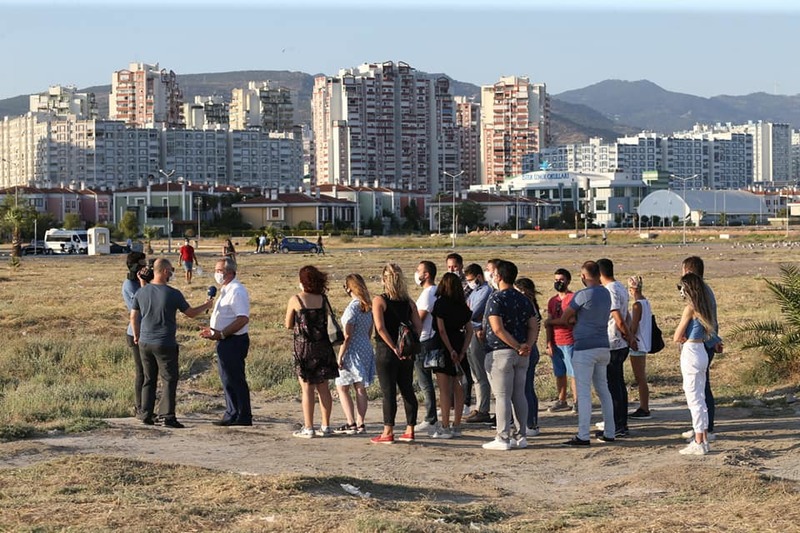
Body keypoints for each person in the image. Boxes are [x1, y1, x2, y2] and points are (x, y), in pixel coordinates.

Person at [130, 258, 213, 428]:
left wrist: (137, 335)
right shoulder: (172, 293)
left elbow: (133, 316)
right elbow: (190, 313)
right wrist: (206, 304)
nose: (173, 272)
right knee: (169, 379)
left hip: (145, 342)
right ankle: (166, 416)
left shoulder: (141, 291)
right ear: (166, 271)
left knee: (148, 378)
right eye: (172, 270)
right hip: (164, 342)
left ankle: (145, 413)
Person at [545, 261, 615, 446]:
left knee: (583, 393)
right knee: (604, 390)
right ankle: (610, 431)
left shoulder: (583, 294)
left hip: (585, 347)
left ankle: (583, 435)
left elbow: (565, 317)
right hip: (603, 345)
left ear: (583, 276)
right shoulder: (606, 292)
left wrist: (550, 323)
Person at [482, 260, 538, 451]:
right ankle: (521, 435)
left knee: (502, 396)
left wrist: (515, 346)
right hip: (522, 354)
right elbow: (533, 324)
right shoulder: (524, 299)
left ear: (499, 276)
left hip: (501, 352)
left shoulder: (496, 299)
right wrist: (526, 346)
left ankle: (503, 436)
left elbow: (497, 329)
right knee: (519, 394)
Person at [284, 265, 339, 438]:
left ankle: (308, 427)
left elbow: (288, 324)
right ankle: (326, 425)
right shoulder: (323, 299)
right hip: (323, 346)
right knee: (324, 387)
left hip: (304, 347)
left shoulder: (296, 299)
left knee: (307, 388)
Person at [371, 263, 422, 444]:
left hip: (386, 350)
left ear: (384, 279)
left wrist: (393, 346)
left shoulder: (380, 300)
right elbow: (419, 326)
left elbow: (380, 327)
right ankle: (410, 429)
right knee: (407, 389)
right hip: (406, 351)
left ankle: (388, 431)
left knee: (388, 391)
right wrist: (407, 345)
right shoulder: (408, 302)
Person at [200, 258, 252, 426]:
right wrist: (214, 331)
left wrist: (222, 334)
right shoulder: (225, 290)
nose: (216, 274)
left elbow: (242, 318)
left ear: (230, 272)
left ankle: (240, 415)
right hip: (224, 339)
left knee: (234, 378)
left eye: (219, 270)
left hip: (234, 341)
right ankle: (233, 412)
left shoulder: (236, 290)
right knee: (227, 378)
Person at [674, 272, 716, 455]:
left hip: (691, 352)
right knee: (700, 397)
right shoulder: (705, 307)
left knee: (694, 399)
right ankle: (703, 437)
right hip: (701, 351)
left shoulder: (690, 308)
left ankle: (699, 441)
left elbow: (677, 336)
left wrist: (681, 336)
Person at [681, 256, 721, 442]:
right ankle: (701, 429)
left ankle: (705, 430)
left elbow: (708, 321)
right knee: (700, 389)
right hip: (703, 344)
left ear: (688, 272)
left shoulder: (701, 294)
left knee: (700, 390)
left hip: (699, 345)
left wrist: (714, 340)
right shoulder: (703, 291)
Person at [429, 272, 474, 439]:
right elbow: (469, 330)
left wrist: (450, 350)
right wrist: (462, 350)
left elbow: (441, 330)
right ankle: (457, 425)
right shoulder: (462, 306)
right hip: (458, 342)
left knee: (444, 389)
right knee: (458, 386)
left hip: (443, 346)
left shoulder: (440, 304)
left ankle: (445, 426)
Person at [333, 273, 375, 435]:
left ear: (350, 287)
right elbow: (370, 331)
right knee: (360, 387)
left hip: (352, 349)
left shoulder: (353, 308)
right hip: (365, 346)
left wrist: (340, 355)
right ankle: (360, 422)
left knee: (342, 387)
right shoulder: (367, 306)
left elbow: (347, 336)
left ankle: (351, 422)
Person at [598, 258, 631, 438]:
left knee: (612, 387)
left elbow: (617, 318)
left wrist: (627, 334)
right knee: (618, 384)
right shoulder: (620, 287)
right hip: (621, 343)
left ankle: (617, 424)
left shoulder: (609, 290)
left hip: (613, 342)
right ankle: (621, 423)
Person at [463, 264, 493, 424]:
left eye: (471, 280)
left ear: (479, 277)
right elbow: (467, 308)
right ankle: (480, 406)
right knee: (475, 373)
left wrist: (466, 313)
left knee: (480, 373)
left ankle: (483, 409)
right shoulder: (474, 291)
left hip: (477, 332)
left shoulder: (486, 291)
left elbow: (472, 312)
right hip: (471, 331)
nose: (470, 283)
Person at [545, 268, 578, 413]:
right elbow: (549, 323)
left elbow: (571, 320)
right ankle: (562, 399)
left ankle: (577, 401)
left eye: (561, 280)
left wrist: (551, 322)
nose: (559, 282)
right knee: (559, 373)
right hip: (556, 341)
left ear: (568, 281)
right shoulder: (552, 301)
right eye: (556, 280)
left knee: (573, 373)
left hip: (570, 340)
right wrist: (548, 343)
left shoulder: (573, 298)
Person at [514, 277, 543, 436]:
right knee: (527, 388)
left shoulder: (527, 307)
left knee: (526, 389)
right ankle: (531, 422)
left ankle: (530, 423)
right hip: (531, 349)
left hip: (528, 350)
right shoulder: (532, 306)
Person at [413, 260, 439, 435]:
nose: (416, 274)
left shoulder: (428, 294)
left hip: (423, 340)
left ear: (426, 274)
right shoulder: (434, 291)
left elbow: (419, 319)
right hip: (430, 338)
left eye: (419, 270)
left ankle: (430, 418)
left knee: (425, 382)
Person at [445, 252, 473, 413]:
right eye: (449, 267)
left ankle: (467, 401)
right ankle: (452, 402)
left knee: (465, 369)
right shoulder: (447, 282)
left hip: (463, 330)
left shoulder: (466, 284)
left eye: (454, 266)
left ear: (461, 266)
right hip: (451, 330)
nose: (452, 269)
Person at [122, 251, 148, 417]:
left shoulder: (142, 282)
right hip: (136, 332)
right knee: (141, 372)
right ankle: (139, 407)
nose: (145, 268)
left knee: (149, 373)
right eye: (142, 264)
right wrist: (144, 283)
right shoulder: (130, 285)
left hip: (149, 332)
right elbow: (141, 306)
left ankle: (148, 405)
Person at [627, 275, 653, 419]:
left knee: (640, 377)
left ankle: (644, 408)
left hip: (637, 343)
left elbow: (634, 326)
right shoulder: (646, 302)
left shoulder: (637, 305)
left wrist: (628, 335)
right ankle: (644, 406)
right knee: (641, 376)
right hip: (644, 342)